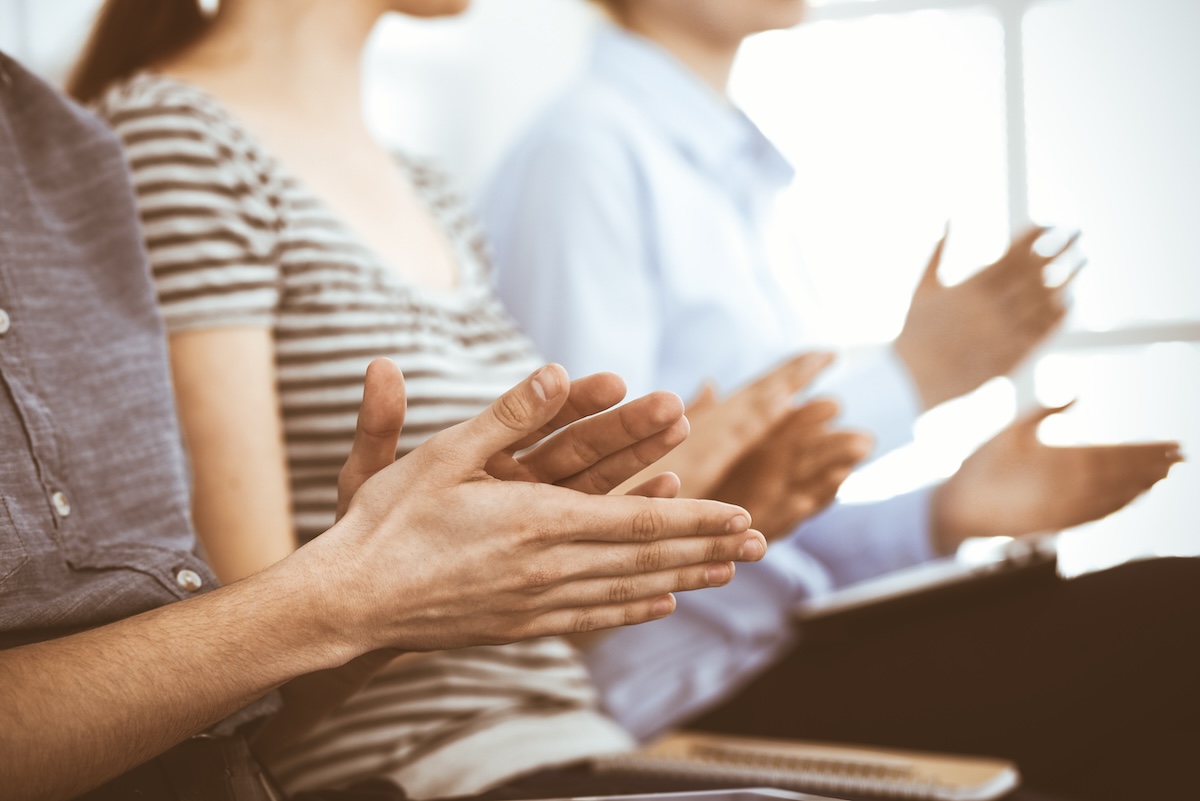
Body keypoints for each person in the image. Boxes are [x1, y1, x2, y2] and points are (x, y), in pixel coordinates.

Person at [69, 0, 869, 798]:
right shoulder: (177, 141)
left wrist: (651, 527)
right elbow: (251, 674)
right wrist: (458, 572)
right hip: (405, 770)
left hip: (573, 742)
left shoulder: (429, 191)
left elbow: (507, 637)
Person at [481, 1, 1196, 798]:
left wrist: (944, 512)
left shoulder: (735, 178)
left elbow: (766, 538)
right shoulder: (584, 155)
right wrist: (913, 376)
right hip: (684, 698)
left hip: (774, 645)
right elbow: (591, 510)